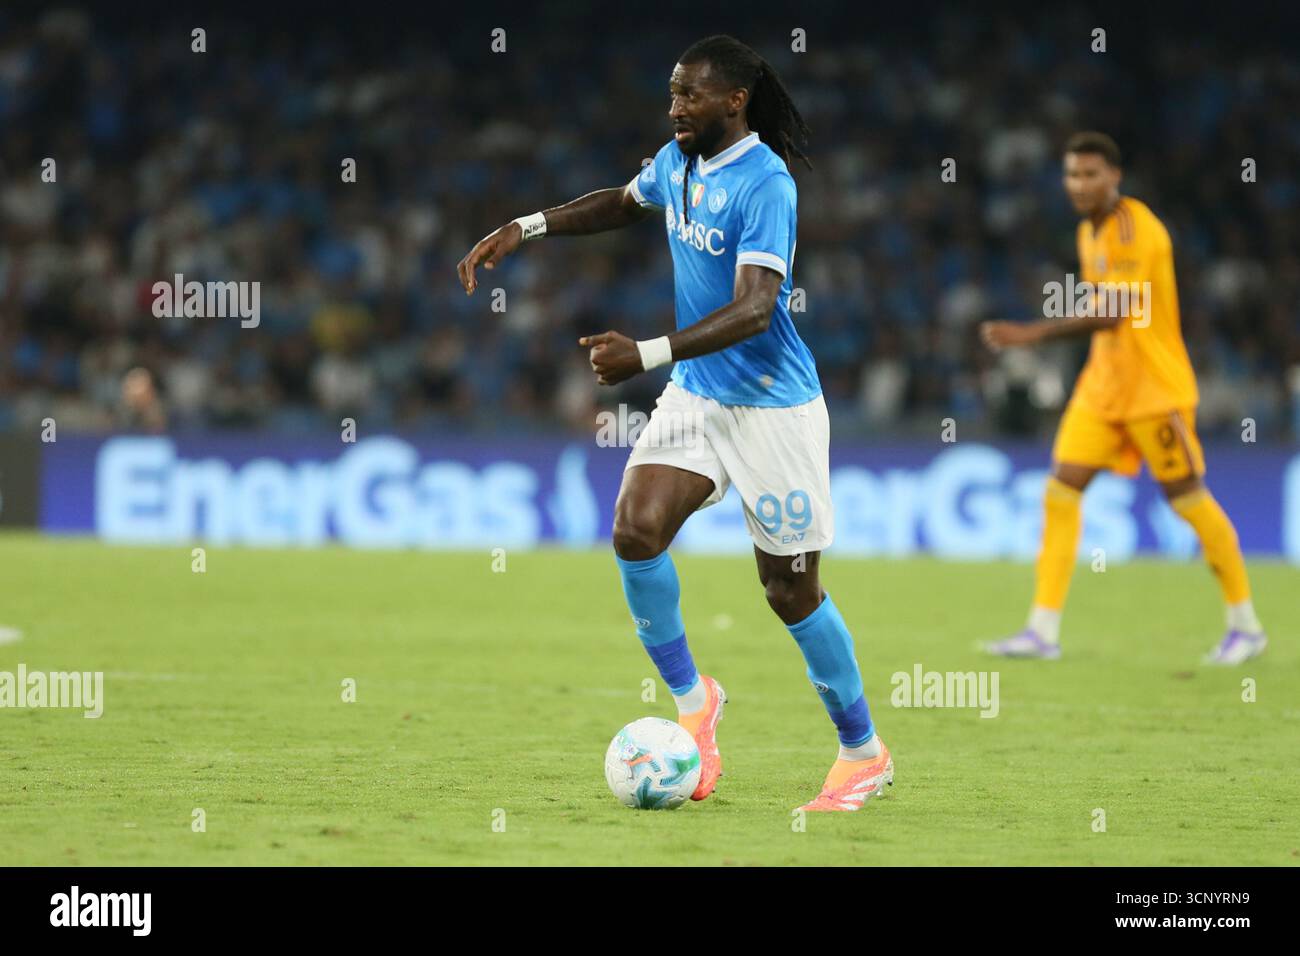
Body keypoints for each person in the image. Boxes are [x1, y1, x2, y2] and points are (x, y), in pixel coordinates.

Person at [457, 35, 892, 812]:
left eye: (689, 95)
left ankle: (863, 752)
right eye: (671, 94)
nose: (675, 108)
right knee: (634, 530)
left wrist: (647, 352)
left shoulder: (767, 184)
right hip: (696, 396)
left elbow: (758, 308)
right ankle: (696, 705)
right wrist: (526, 226)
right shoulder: (676, 162)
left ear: (734, 100)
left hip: (774, 410)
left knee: (789, 591)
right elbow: (621, 203)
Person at [980, 132, 1266, 665]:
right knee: (1060, 492)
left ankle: (1245, 625)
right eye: (1071, 174)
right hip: (1102, 388)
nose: (1080, 184)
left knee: (1187, 499)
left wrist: (1033, 334)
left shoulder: (1136, 230)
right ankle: (1042, 630)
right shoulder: (1091, 231)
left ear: (1115, 176)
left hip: (1153, 390)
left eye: (1091, 174)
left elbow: (1115, 312)